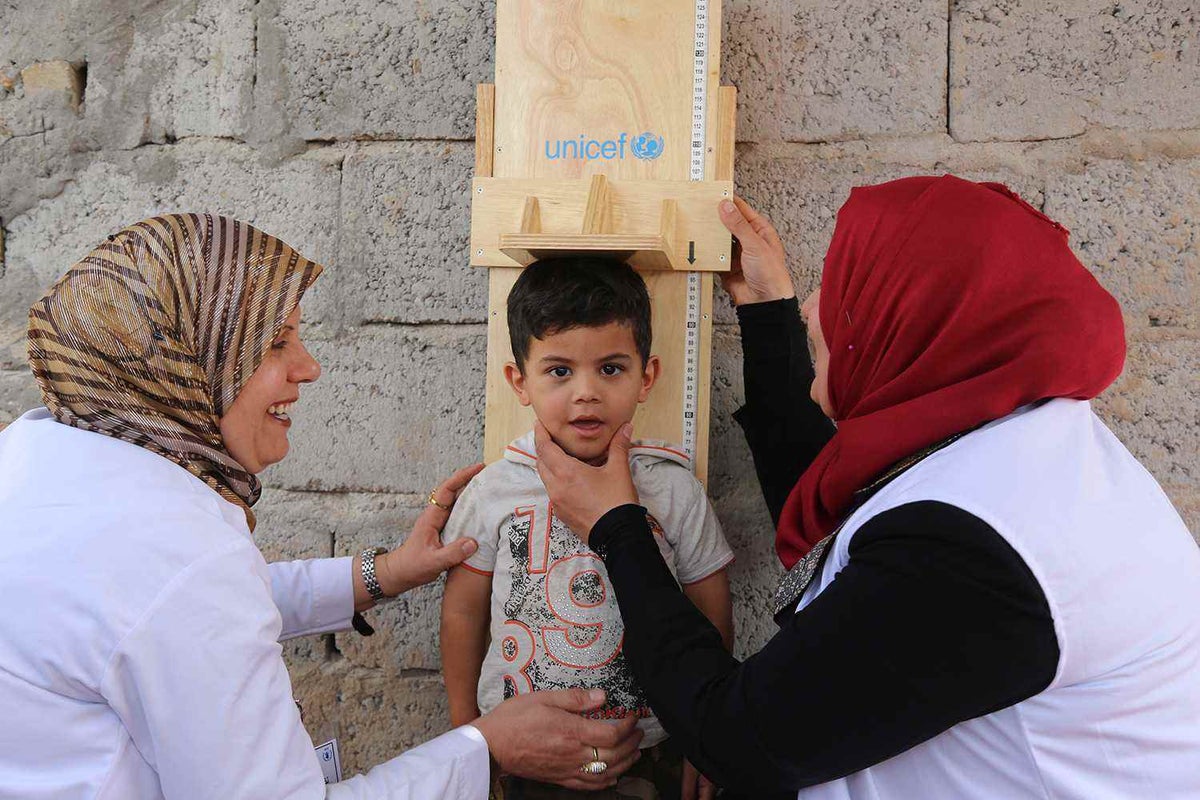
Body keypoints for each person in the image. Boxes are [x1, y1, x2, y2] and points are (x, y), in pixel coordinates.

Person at [531, 176, 1200, 798]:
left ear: (920, 320)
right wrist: (769, 313)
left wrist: (618, 528)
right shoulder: (1019, 445)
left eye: (850, 285)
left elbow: (740, 738)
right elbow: (848, 522)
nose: (821, 305)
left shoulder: (982, 551)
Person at [0, 214, 642, 799]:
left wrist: (383, 574)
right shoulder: (178, 560)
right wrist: (485, 745)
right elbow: (188, 603)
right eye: (276, 345)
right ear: (190, 360)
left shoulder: (38, 455)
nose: (307, 368)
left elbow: (172, 612)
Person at [439, 257, 735, 800]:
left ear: (647, 377)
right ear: (518, 380)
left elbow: (711, 610)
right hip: (522, 757)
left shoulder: (672, 490)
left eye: (611, 368)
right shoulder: (495, 490)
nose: (586, 393)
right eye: (559, 371)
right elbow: (462, 609)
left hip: (649, 755)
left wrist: (705, 738)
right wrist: (468, 738)